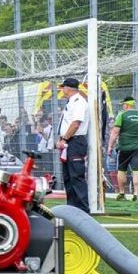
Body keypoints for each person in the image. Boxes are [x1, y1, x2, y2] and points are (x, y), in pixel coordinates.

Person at [107, 97, 138, 201]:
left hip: (124, 147)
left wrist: (110, 146)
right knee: (137, 169)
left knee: (122, 169)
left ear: (126, 105)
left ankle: (122, 193)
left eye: (123, 104)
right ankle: (136, 194)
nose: (123, 106)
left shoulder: (122, 115)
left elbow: (115, 132)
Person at [56, 77, 90, 212]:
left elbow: (76, 123)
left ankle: (82, 208)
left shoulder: (79, 102)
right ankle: (72, 208)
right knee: (68, 176)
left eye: (63, 88)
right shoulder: (72, 102)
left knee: (76, 175)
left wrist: (64, 138)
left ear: (68, 88)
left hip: (75, 141)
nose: (62, 90)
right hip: (69, 141)